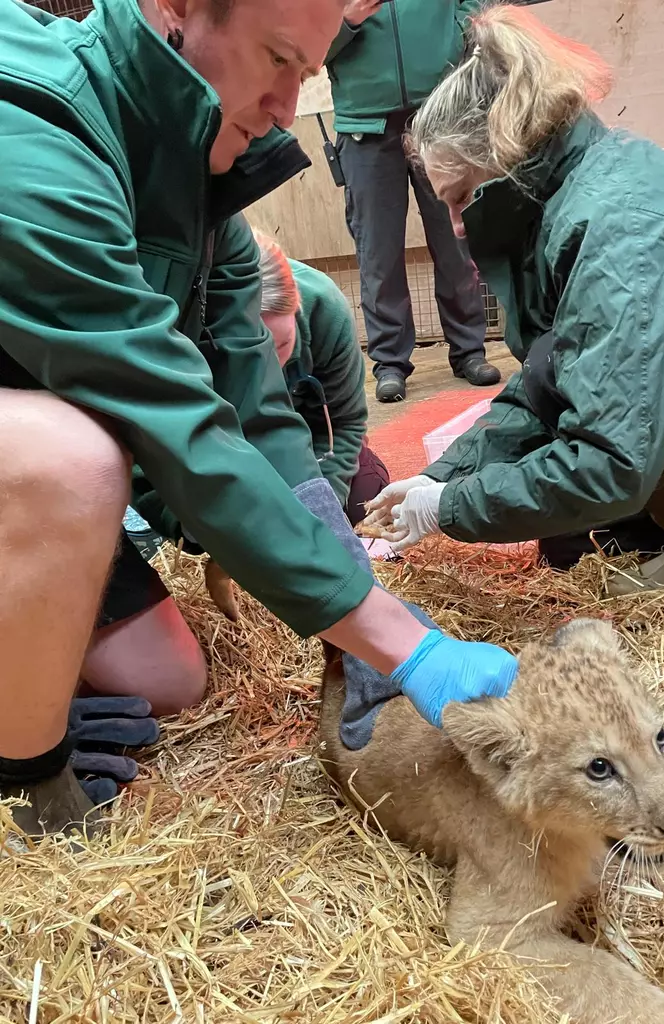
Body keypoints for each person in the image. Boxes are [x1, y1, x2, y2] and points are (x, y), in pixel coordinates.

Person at [0, 0, 519, 840]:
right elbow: (168, 415)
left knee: (166, 680)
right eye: (277, 59)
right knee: (72, 461)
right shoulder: (28, 130)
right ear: (171, 8)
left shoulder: (208, 202)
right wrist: (404, 645)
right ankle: (26, 775)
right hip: (34, 464)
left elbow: (257, 415)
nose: (288, 107)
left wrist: (354, 591)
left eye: (306, 75)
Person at [362, 2, 664, 594]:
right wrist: (441, 479)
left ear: (504, 161)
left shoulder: (620, 221)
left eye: (460, 198)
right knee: (570, 540)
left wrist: (450, 507)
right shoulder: (577, 190)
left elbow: (611, 453)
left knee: (571, 385)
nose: (453, 226)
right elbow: (541, 388)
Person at [324, 0, 502, 403]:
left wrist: (457, 36)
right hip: (363, 127)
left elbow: (474, 7)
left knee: (455, 241)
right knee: (378, 253)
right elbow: (307, 47)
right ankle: (389, 362)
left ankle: (470, 350)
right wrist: (345, 22)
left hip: (441, 114)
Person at [254, 231, 390, 525]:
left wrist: (325, 509)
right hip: (238, 456)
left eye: (282, 345)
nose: (273, 368)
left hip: (311, 446)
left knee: (366, 503)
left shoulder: (324, 308)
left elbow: (346, 423)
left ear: (297, 307)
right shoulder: (182, 323)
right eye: (257, 356)